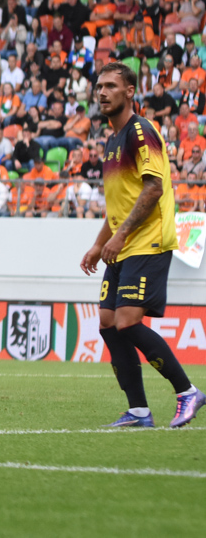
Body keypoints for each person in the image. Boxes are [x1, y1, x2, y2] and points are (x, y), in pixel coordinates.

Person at [79, 63, 204, 428]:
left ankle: (187, 391)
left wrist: (118, 237)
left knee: (127, 321)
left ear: (130, 91)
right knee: (107, 322)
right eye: (99, 86)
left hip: (148, 241)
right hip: (122, 244)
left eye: (111, 86)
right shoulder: (111, 141)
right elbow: (118, 205)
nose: (103, 92)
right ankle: (138, 411)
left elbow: (153, 188)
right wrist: (99, 243)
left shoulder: (141, 131)